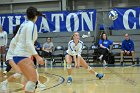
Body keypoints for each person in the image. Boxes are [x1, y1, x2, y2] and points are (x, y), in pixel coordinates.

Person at [9, 6, 44, 93]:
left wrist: (11, 53)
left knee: (30, 80)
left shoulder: (23, 24)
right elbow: (28, 42)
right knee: (33, 81)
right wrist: (37, 56)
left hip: (18, 55)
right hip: (22, 56)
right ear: (35, 16)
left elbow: (14, 39)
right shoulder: (31, 25)